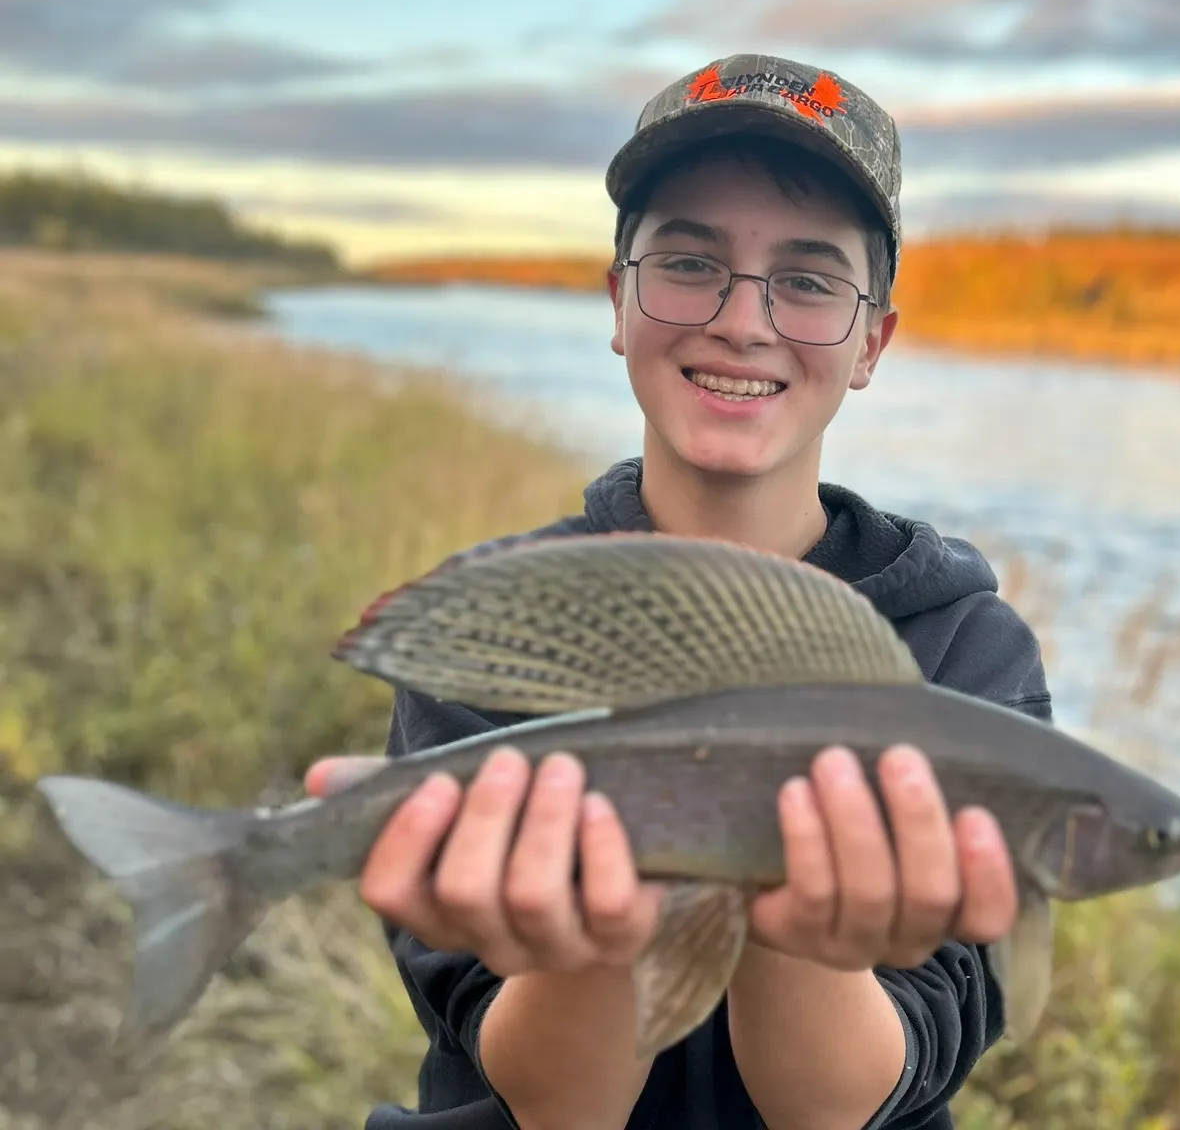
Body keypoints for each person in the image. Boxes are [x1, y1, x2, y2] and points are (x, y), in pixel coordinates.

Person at [306, 54, 1054, 1130]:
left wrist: (786, 908)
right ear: (620, 302)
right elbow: (548, 1104)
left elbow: (850, 1105)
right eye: (691, 263)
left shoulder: (967, 653)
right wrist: (596, 935)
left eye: (808, 280)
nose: (743, 320)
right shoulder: (501, 622)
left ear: (872, 342)